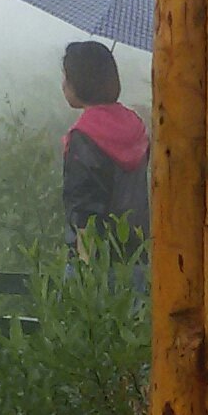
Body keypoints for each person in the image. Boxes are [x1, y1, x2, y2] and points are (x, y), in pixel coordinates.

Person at [60, 40, 150, 270]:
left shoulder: (84, 136)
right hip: (137, 257)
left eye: (66, 77)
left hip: (99, 265)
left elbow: (84, 210)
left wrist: (85, 272)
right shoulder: (134, 125)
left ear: (78, 82)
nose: (63, 84)